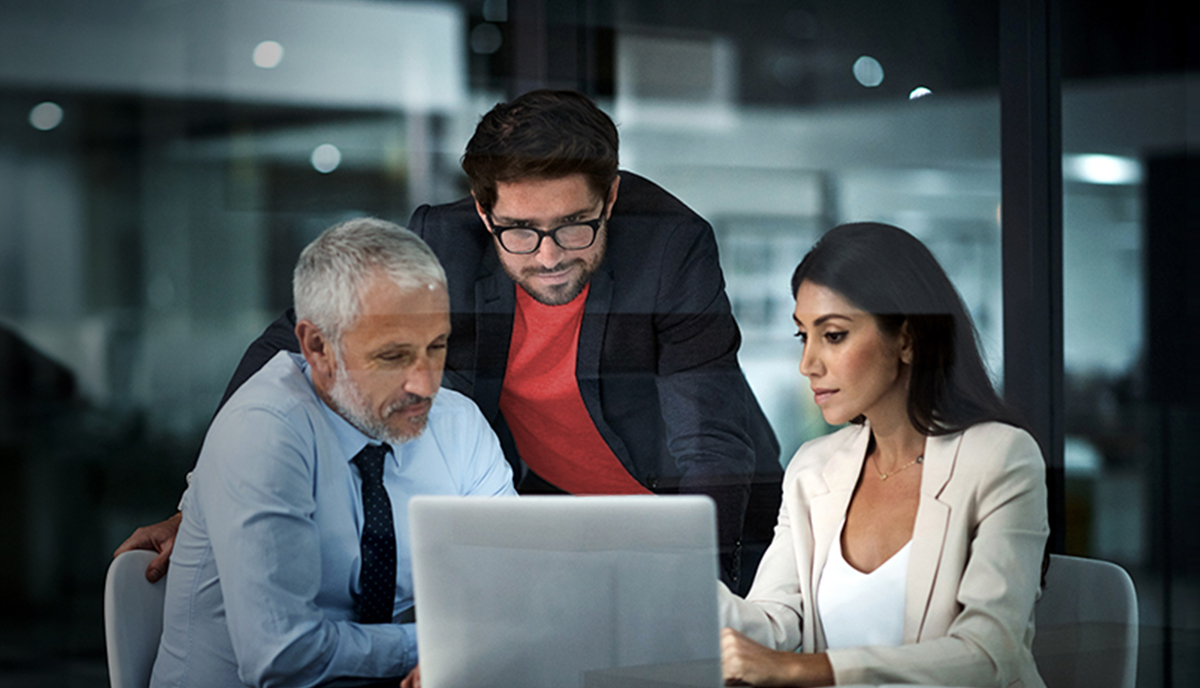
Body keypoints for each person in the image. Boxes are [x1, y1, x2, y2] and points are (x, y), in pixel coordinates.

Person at [117, 89, 781, 590]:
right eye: (519, 229)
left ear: (609, 196)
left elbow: (709, 442)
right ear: (483, 207)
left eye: (575, 225)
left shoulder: (671, 244)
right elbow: (290, 348)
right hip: (558, 519)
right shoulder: (442, 245)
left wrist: (701, 588)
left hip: (701, 522)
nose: (549, 256)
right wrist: (195, 508)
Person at [149, 219, 515, 688]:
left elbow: (510, 594)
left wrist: (484, 638)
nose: (425, 384)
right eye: (392, 356)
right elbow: (283, 657)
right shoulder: (263, 430)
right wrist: (435, 646)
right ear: (317, 347)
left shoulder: (457, 423)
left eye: (437, 346)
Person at [718, 223, 1049, 687]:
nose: (807, 364)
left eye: (832, 335)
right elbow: (775, 619)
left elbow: (989, 655)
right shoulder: (813, 469)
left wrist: (803, 670)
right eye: (803, 337)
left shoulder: (1001, 457)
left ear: (908, 339)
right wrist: (676, 581)